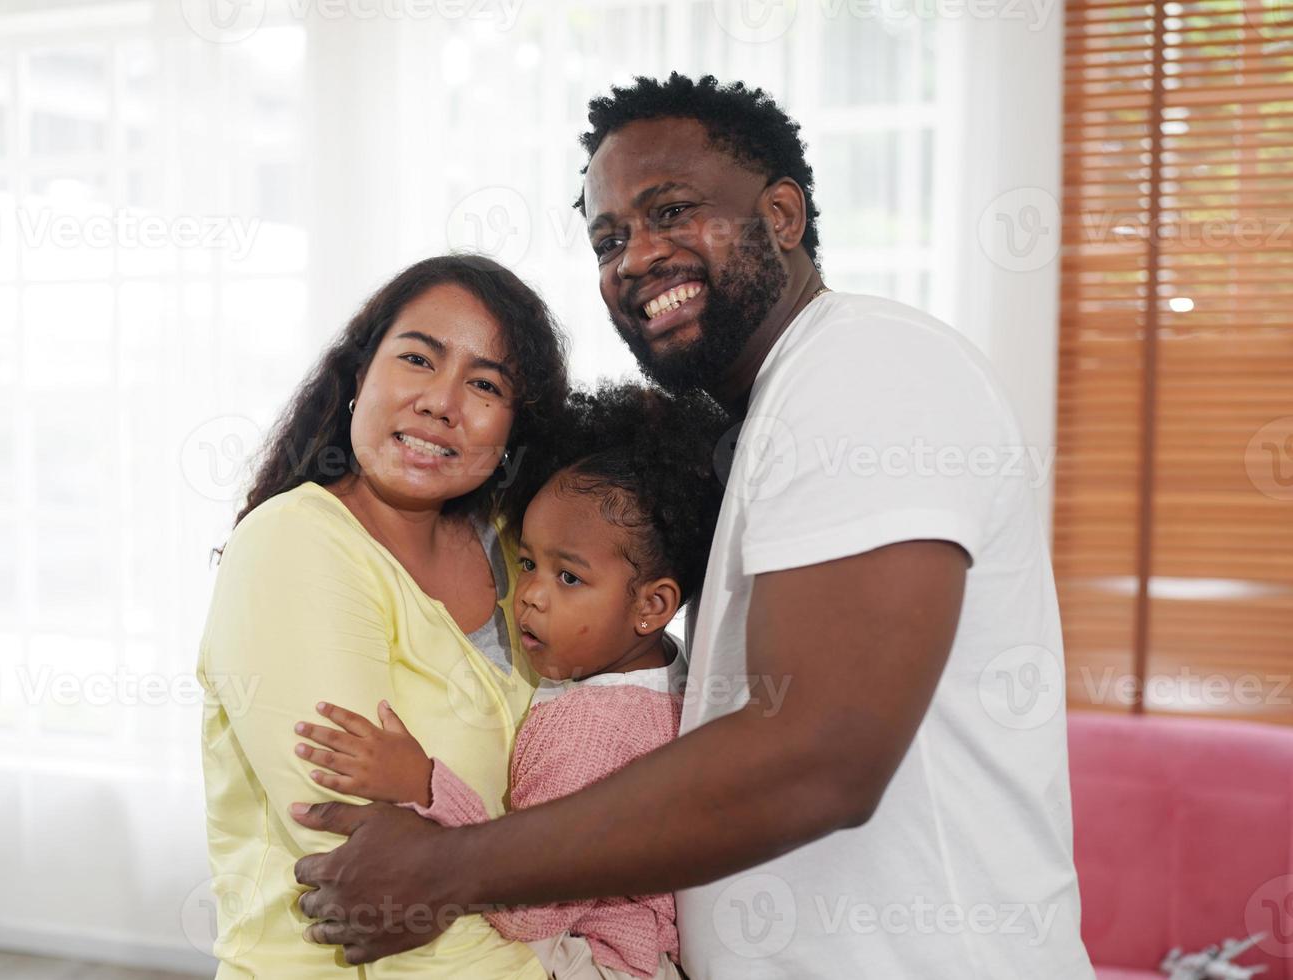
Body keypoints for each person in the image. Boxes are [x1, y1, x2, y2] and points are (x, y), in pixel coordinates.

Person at [289, 74, 1095, 979]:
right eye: (609, 238)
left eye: (672, 211)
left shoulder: (866, 365)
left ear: (782, 215)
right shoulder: (761, 423)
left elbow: (822, 752)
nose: (636, 258)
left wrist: (447, 869)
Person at [197, 254, 567, 977]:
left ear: (516, 426)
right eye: (417, 359)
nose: (440, 401)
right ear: (360, 375)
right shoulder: (293, 543)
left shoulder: (522, 547)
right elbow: (365, 871)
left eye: (486, 383)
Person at [292, 384, 729, 980]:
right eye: (527, 563)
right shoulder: (671, 679)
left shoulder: (586, 729)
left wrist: (422, 781)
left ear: (652, 604)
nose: (531, 596)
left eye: (569, 577)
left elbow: (526, 903)